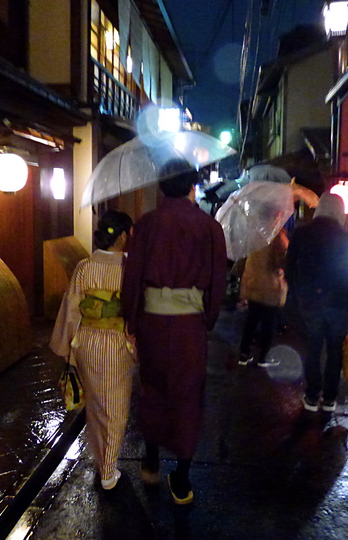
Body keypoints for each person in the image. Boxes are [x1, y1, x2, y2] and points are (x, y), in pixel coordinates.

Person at [121, 159, 227, 505]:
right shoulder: (209, 227)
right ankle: (181, 476)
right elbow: (216, 281)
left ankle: (151, 461)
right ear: (193, 186)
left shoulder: (147, 224)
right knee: (187, 394)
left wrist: (131, 320)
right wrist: (207, 319)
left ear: (161, 186)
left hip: (152, 320)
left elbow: (133, 274)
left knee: (152, 388)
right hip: (188, 325)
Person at [49, 210, 136, 490]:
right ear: (123, 236)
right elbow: (136, 310)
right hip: (116, 342)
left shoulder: (85, 266)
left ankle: (103, 462)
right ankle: (108, 470)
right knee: (116, 407)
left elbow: (72, 307)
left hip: (86, 341)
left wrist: (67, 347)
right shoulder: (129, 268)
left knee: (96, 406)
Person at [285, 192, 348, 413]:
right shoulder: (344, 238)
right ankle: (329, 399)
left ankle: (311, 395)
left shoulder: (302, 233)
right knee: (335, 352)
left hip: (310, 303)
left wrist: (298, 293)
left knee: (313, 348)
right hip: (338, 304)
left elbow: (289, 267)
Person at [238, 227, 289, 367]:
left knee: (251, 321)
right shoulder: (277, 236)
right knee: (268, 324)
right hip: (270, 286)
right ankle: (263, 357)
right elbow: (281, 262)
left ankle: (244, 354)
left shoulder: (253, 233)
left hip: (254, 282)